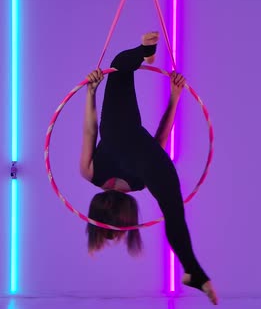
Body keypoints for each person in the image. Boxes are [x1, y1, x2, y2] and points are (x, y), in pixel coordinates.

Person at [79, 32, 218, 305]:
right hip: (135, 143)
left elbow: (90, 131)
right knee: (174, 211)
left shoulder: (95, 173)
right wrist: (174, 98)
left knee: (120, 66)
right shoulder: (117, 178)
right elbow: (156, 144)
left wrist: (91, 92)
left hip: (123, 132)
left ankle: (193, 270)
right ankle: (192, 270)